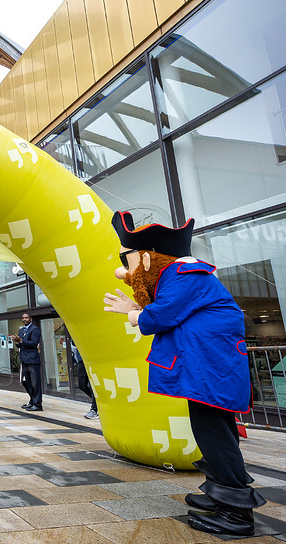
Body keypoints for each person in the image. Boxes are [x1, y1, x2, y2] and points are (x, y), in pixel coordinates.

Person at [103, 211, 266, 536]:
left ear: (148, 259)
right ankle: (221, 494)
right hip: (207, 372)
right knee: (213, 434)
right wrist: (138, 308)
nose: (126, 270)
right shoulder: (180, 275)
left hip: (211, 373)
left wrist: (133, 312)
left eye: (129, 261)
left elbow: (160, 317)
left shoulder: (183, 274)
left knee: (216, 437)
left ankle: (236, 515)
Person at [12, 313, 42, 411]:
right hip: (24, 360)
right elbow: (20, 345)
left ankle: (37, 405)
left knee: (35, 383)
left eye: (27, 318)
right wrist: (17, 341)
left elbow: (34, 343)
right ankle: (32, 401)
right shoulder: (21, 330)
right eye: (23, 318)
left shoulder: (35, 329)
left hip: (33, 360)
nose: (25, 319)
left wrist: (21, 341)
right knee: (26, 382)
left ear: (31, 319)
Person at [72, 341, 98, 419]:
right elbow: (74, 342)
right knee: (82, 385)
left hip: (92, 360)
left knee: (93, 385)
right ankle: (98, 402)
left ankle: (94, 409)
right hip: (81, 360)